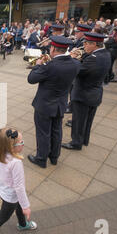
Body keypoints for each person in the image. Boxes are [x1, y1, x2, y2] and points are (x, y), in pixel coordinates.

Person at [27, 36, 80, 168]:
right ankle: (54, 157)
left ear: (54, 49)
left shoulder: (49, 66)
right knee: (56, 131)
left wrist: (38, 65)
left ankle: (41, 158)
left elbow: (31, 79)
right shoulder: (75, 64)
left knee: (43, 132)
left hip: (44, 104)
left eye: (51, 47)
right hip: (60, 104)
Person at [62, 33, 111, 150]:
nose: (83, 46)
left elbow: (78, 70)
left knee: (79, 120)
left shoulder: (94, 58)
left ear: (94, 44)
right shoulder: (105, 54)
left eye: (86, 43)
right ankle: (83, 140)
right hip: (94, 93)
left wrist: (73, 58)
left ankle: (76, 143)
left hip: (84, 94)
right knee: (87, 121)